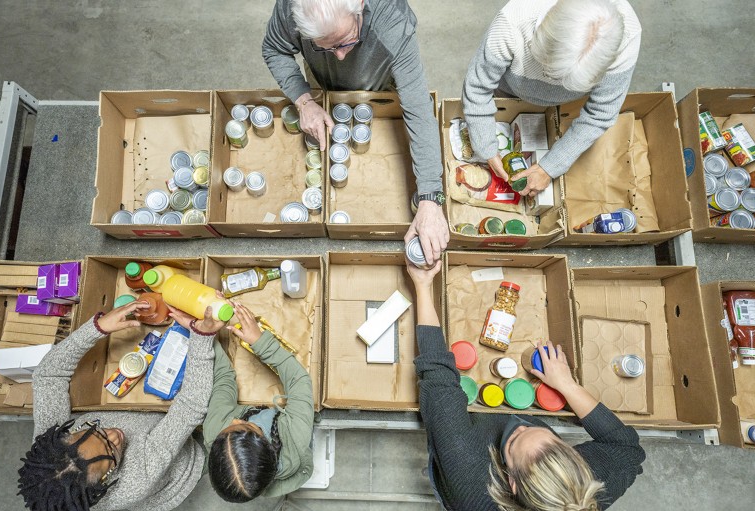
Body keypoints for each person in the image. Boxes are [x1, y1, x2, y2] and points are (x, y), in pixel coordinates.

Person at [409, 262, 645, 511]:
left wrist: (423, 285)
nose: (519, 425)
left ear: (511, 482)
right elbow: (627, 447)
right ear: (577, 457)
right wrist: (566, 385)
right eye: (551, 439)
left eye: (514, 442)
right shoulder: (587, 493)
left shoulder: (467, 472)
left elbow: (437, 371)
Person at [263, 0, 449, 265]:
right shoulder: (291, 8)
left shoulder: (392, 21)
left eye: (347, 41)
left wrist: (431, 199)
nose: (340, 55)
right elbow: (274, 49)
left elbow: (418, 108)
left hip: (379, 78)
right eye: (324, 46)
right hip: (321, 80)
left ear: (360, 6)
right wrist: (304, 101)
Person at [17, 300, 226, 511]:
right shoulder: (136, 480)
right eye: (111, 451)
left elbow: (47, 376)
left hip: (145, 417)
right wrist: (201, 338)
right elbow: (190, 407)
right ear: (104, 481)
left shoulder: (50, 445)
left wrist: (97, 329)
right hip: (181, 464)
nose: (114, 434)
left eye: (93, 429)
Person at [462, 0, 642, 198]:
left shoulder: (627, 38)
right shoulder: (513, 22)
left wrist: (550, 167)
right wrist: (486, 147)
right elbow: (478, 87)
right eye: (553, 75)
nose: (557, 85)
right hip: (505, 91)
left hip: (562, 105)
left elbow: (600, 114)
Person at [203, 303, 314, 502]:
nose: (235, 420)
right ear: (266, 442)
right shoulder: (295, 441)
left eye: (227, 429)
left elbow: (223, 380)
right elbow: (299, 381)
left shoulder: (213, 432)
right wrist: (261, 341)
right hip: (294, 455)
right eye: (246, 426)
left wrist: (204, 335)